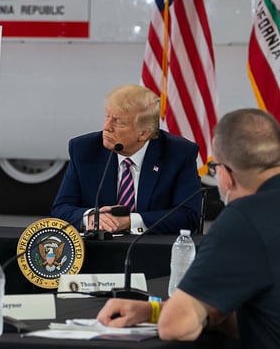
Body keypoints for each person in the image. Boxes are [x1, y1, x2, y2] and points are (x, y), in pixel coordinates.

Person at [97, 108, 280, 346]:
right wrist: (154, 311)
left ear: (224, 175)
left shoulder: (243, 220)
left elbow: (176, 326)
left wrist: (165, 313)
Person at [51, 85, 201, 235]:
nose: (107, 127)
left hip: (153, 251)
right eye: (107, 117)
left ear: (143, 133)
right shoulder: (84, 149)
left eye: (119, 122)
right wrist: (90, 217)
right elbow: (61, 208)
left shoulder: (179, 154)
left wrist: (130, 221)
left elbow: (188, 216)